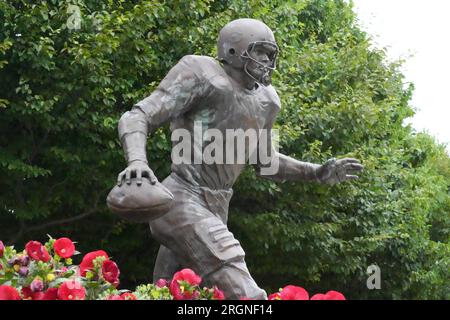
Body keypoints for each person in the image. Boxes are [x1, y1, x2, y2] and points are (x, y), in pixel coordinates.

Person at [116, 18, 363, 299]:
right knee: (242, 288)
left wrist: (315, 171)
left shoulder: (267, 100)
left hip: (217, 206)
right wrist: (137, 161)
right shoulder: (201, 74)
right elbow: (138, 116)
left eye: (271, 54)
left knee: (173, 292)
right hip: (182, 196)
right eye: (261, 52)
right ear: (234, 51)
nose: (268, 60)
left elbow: (266, 161)